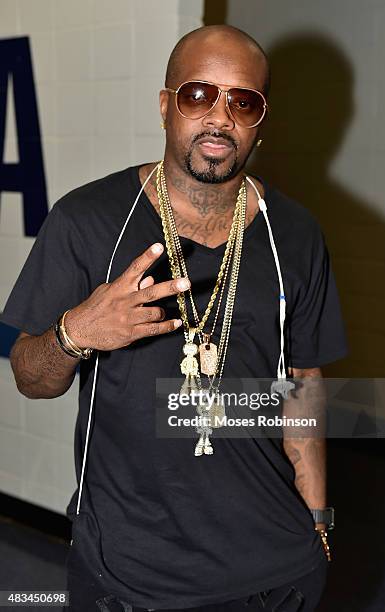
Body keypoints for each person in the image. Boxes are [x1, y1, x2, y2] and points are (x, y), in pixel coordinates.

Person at [0, 25, 347, 612]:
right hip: (129, 571)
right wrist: (76, 334)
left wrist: (318, 521)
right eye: (197, 94)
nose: (219, 117)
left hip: (275, 569)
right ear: (166, 107)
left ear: (262, 118)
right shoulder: (87, 220)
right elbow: (30, 378)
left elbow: (302, 385)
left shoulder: (297, 234)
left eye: (243, 101)